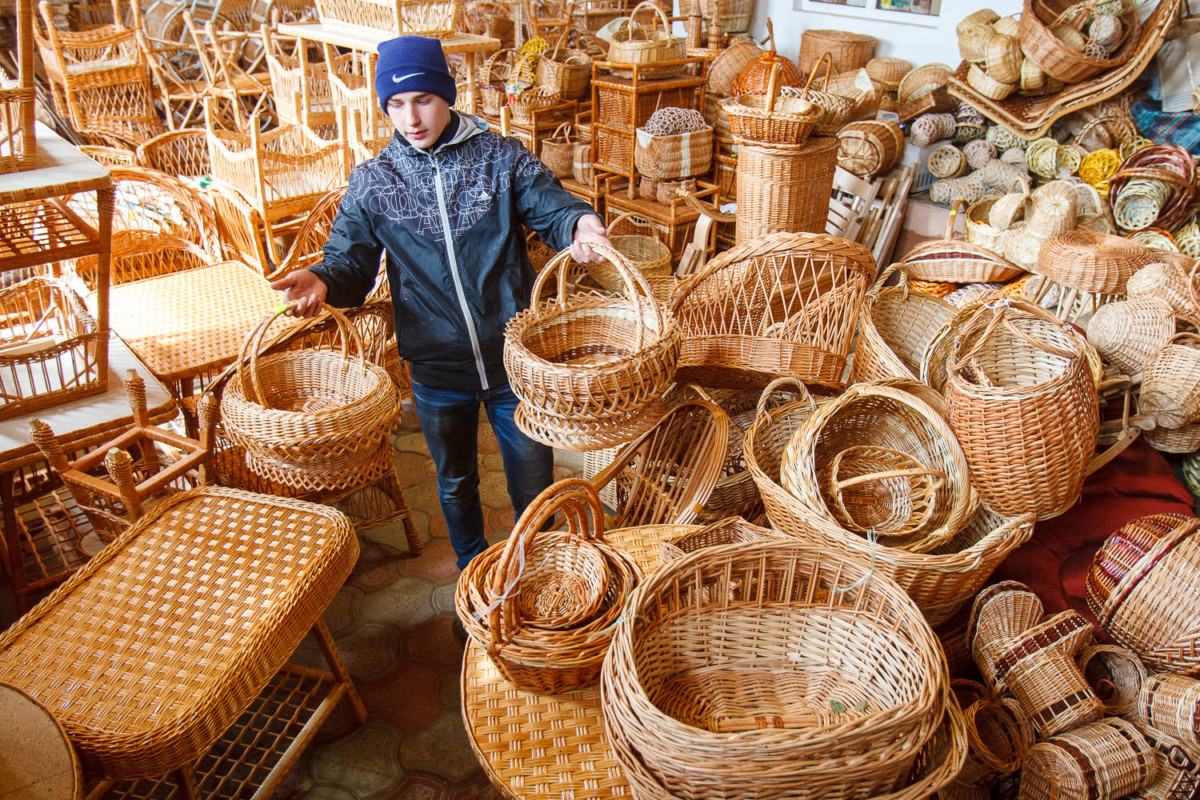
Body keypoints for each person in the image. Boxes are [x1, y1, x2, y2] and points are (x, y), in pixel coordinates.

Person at [270, 35, 612, 570]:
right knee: (455, 481)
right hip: (435, 369)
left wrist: (581, 223)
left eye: (424, 99)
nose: (412, 117)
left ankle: (541, 572)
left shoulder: (501, 158)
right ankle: (472, 571)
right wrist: (321, 278)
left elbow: (553, 205)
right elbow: (349, 263)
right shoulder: (373, 183)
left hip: (513, 364)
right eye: (396, 104)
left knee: (533, 479)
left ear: (447, 95)